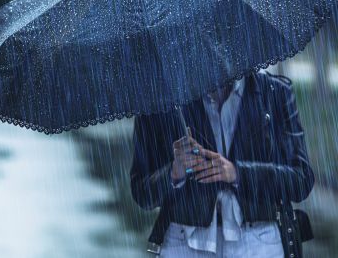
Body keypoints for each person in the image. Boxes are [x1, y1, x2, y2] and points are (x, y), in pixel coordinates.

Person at [129, 72, 314, 258]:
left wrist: (238, 173)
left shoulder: (274, 92)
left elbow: (301, 180)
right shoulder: (160, 99)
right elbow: (142, 193)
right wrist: (174, 172)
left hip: (259, 242)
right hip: (183, 241)